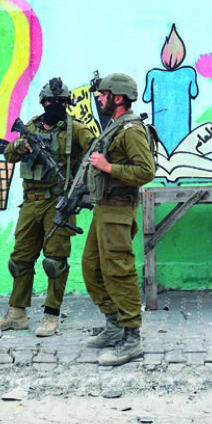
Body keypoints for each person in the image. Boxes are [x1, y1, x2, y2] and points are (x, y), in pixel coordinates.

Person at [0, 78, 92, 337]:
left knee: (55, 262)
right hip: (30, 202)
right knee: (20, 259)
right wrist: (19, 145)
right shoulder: (31, 126)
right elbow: (9, 155)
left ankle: (51, 316)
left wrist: (81, 188)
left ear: (67, 104)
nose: (54, 105)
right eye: (50, 102)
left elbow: (95, 154)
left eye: (60, 102)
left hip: (58, 202)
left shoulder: (76, 129)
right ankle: (17, 314)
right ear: (43, 102)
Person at [79, 73, 156, 366]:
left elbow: (145, 172)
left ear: (118, 98)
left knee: (119, 271)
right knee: (92, 267)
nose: (99, 99)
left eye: (104, 94)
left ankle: (132, 338)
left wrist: (109, 167)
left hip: (118, 210)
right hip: (103, 209)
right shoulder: (114, 128)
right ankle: (113, 325)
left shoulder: (132, 130)